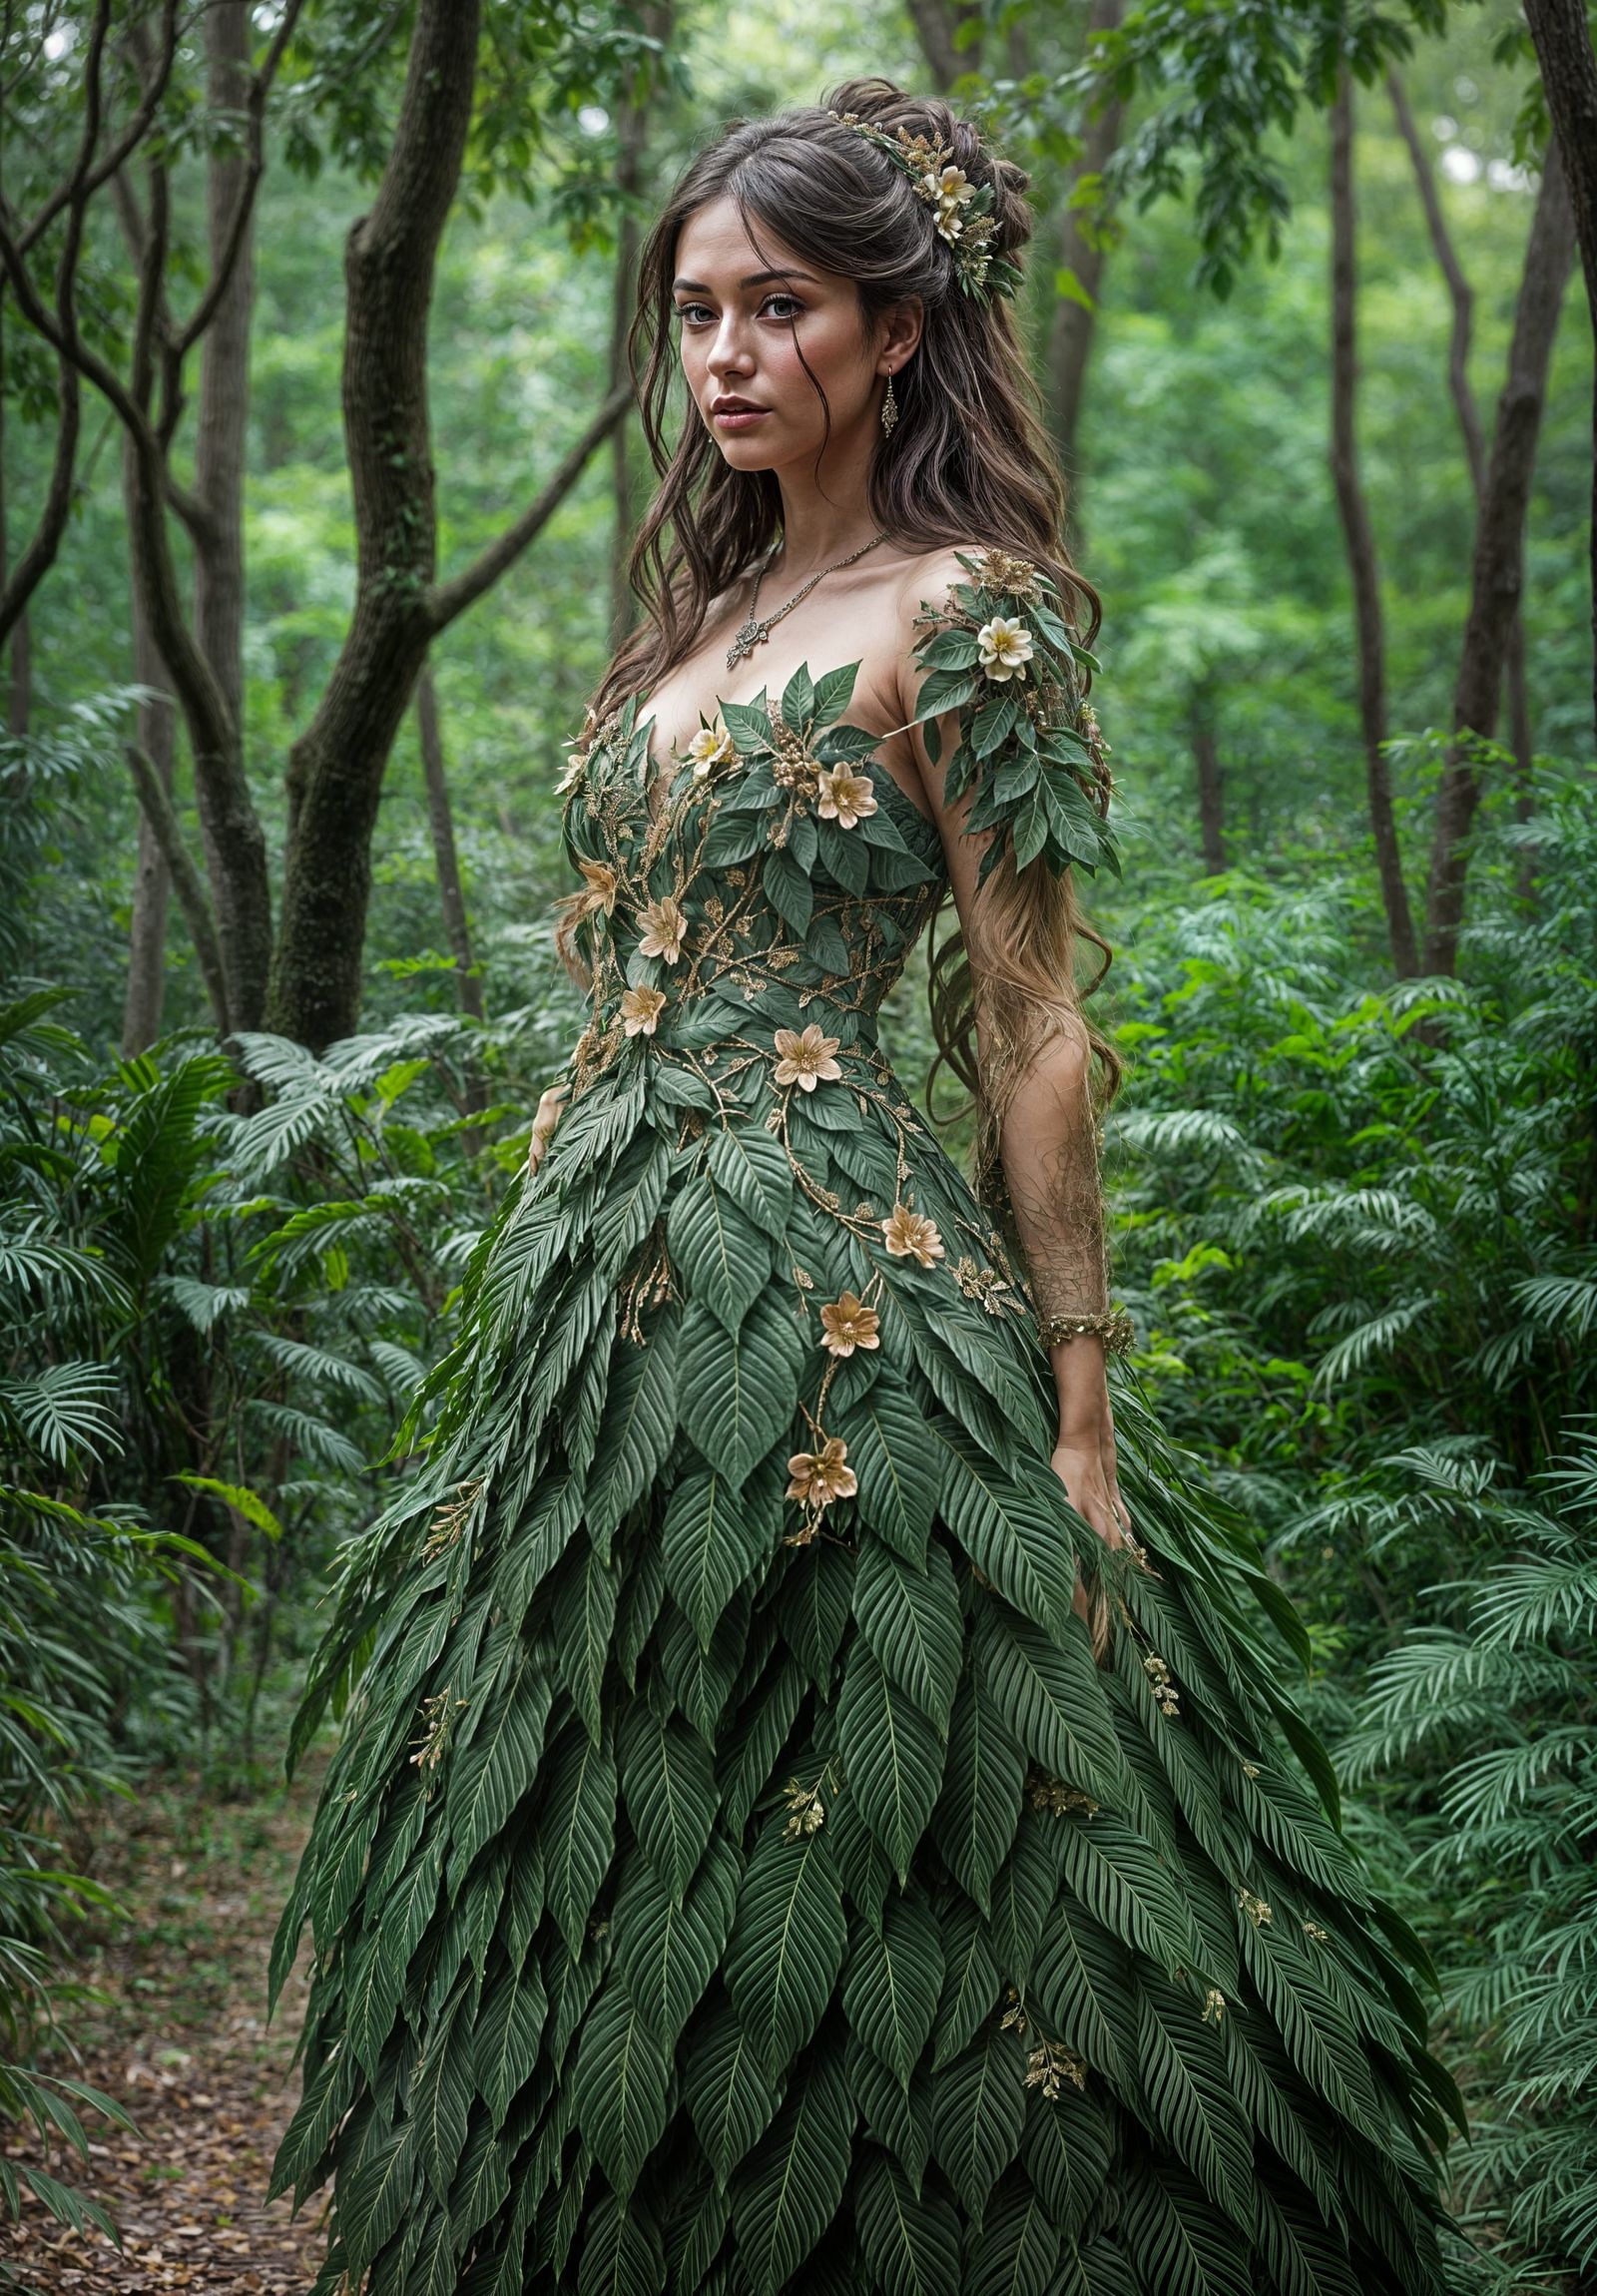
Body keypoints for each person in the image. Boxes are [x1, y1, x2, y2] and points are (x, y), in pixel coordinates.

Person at [269, 77, 1461, 2296]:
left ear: (897, 329)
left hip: (835, 1301)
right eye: (695, 312)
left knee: (939, 1788)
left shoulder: (966, 610)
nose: (723, 355)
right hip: (593, 1302)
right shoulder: (695, 620)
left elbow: (1029, 1019)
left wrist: (1080, 1407)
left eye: (779, 306)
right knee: (608, 1797)